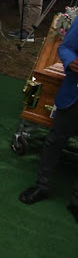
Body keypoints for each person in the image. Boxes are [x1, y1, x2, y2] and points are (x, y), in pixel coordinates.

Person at [18, 16, 78, 223]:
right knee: (54, 141)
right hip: (74, 96)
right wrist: (71, 62)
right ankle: (42, 186)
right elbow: (66, 48)